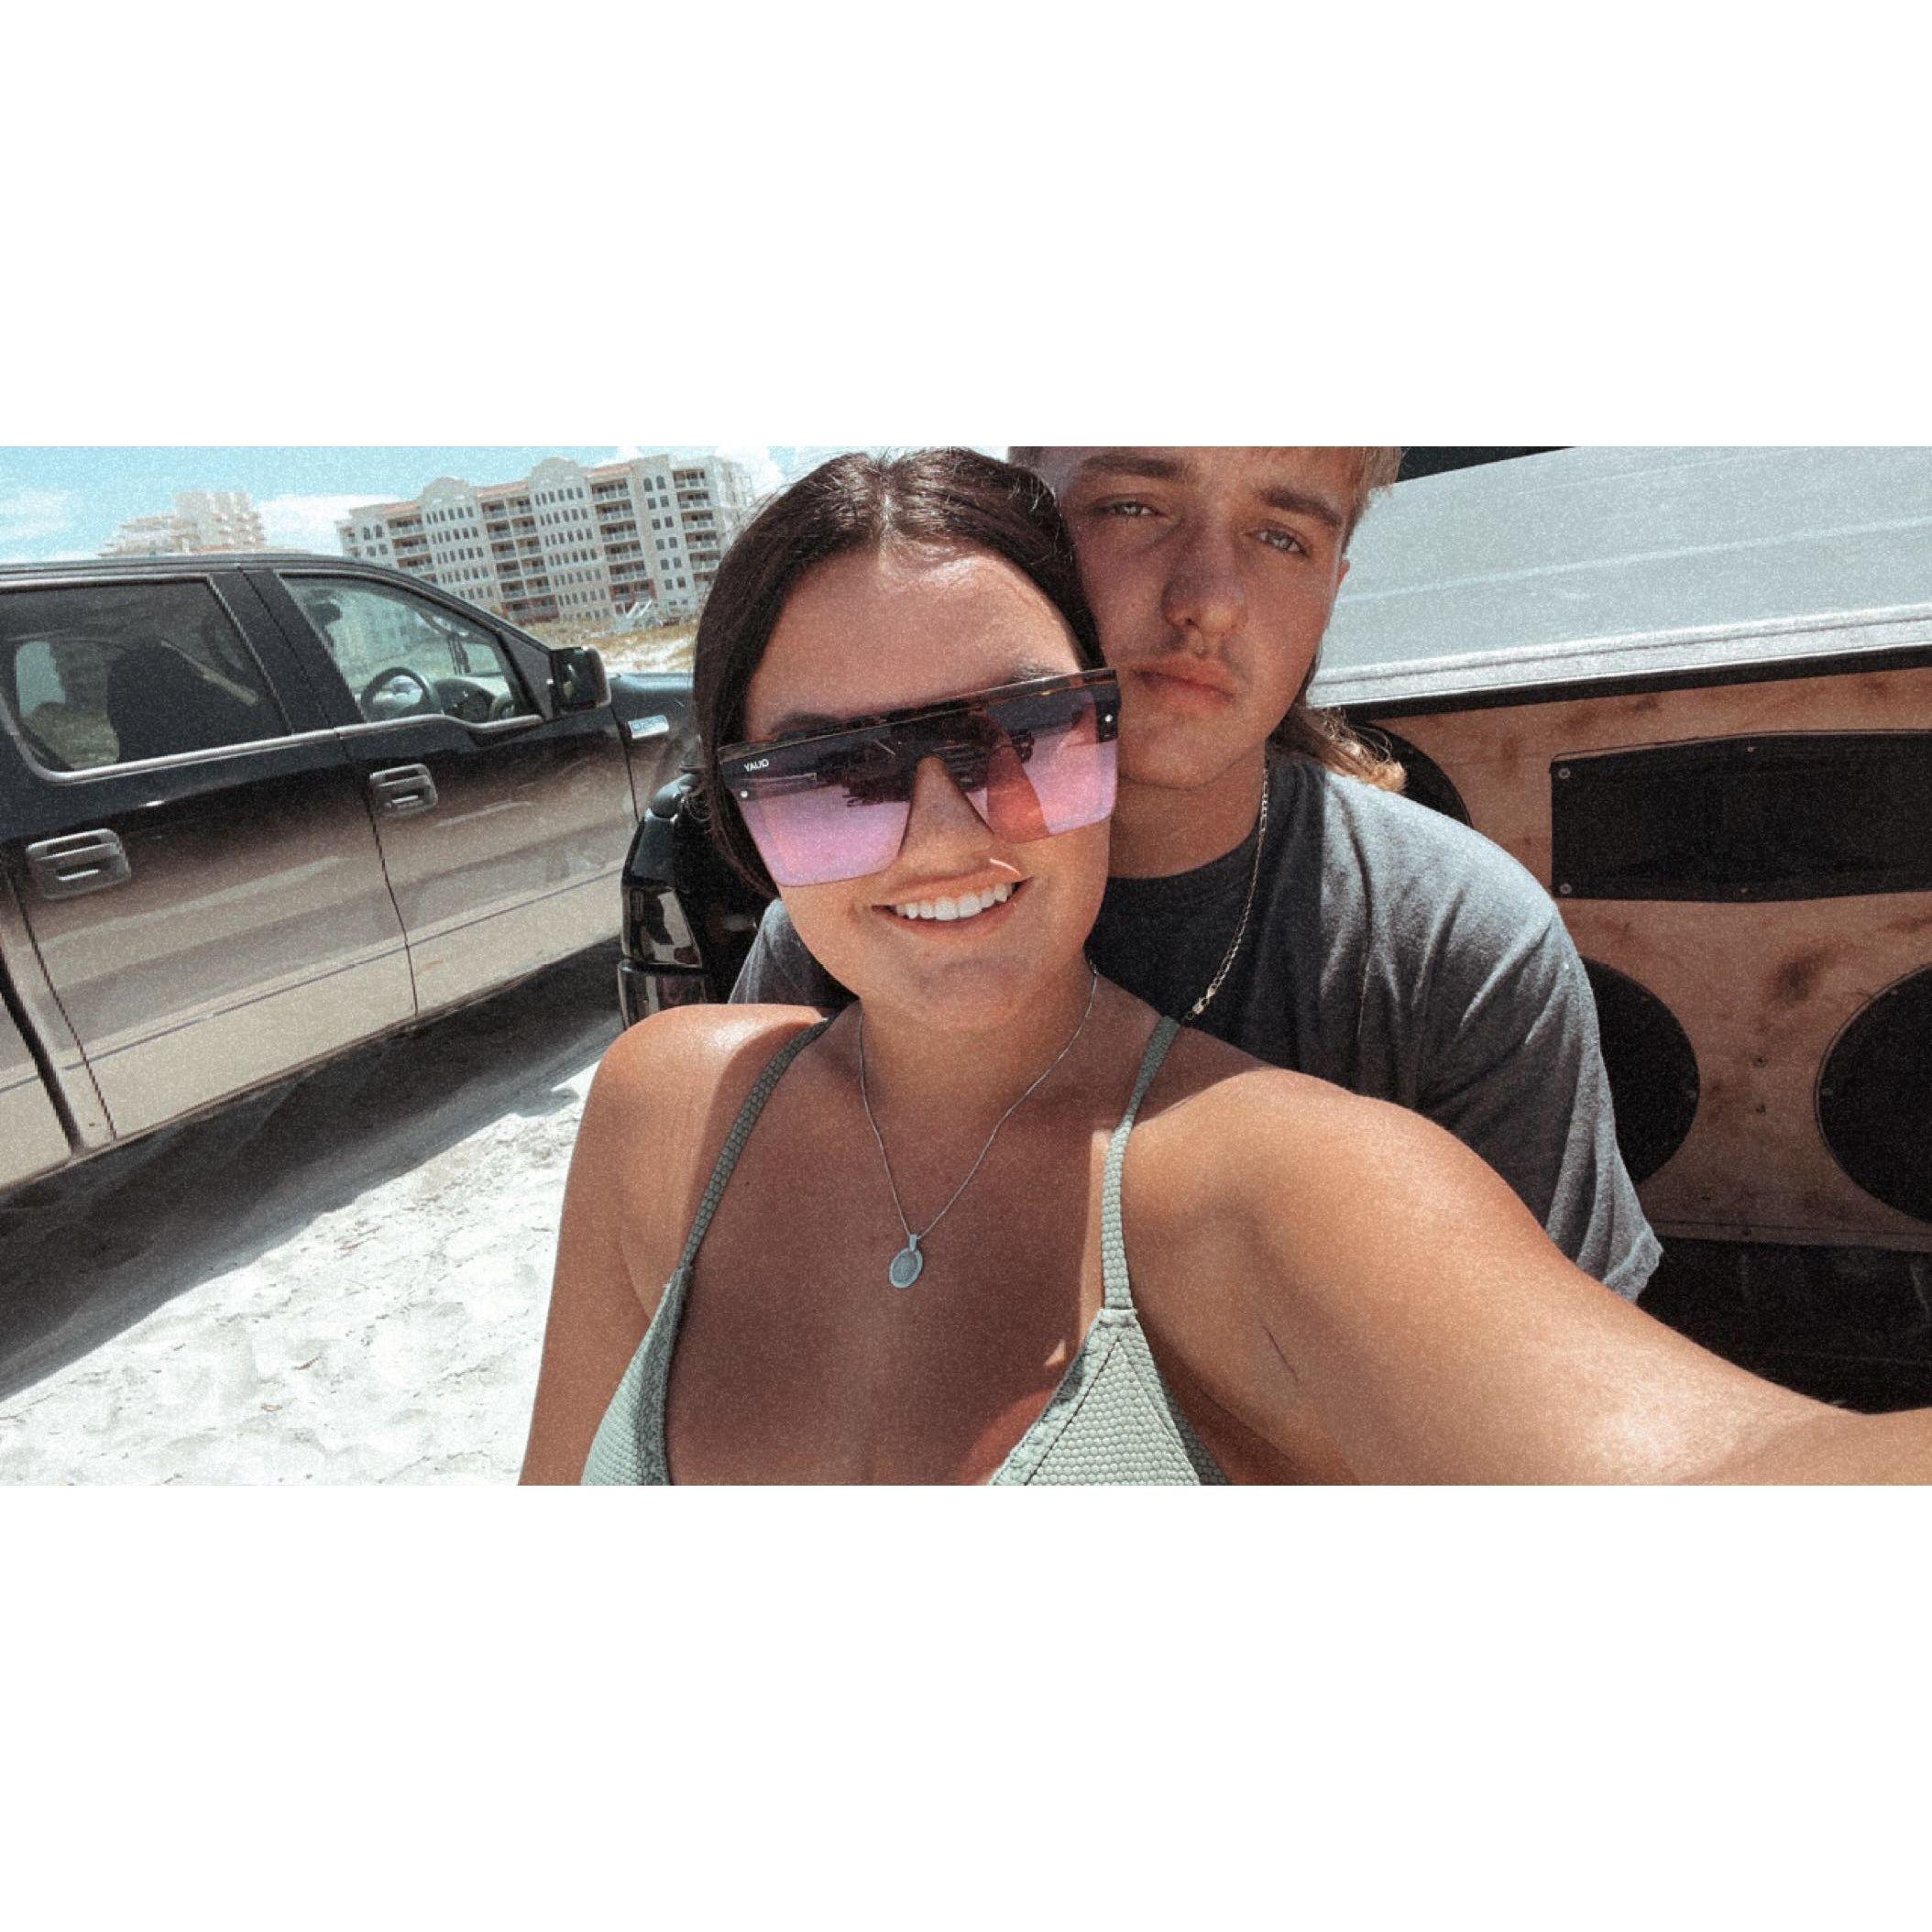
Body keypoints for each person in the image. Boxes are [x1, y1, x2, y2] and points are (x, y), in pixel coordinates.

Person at [520, 449, 1931, 1487]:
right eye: (830, 778)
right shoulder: (695, 1084)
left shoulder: (1356, 1076)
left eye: (1019, 734)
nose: (937, 836)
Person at [730, 448, 1660, 1328]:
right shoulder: (849, 937)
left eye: (1282, 537)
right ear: (1026, 523)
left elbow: (1551, 1394)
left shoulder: (1454, 950)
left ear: (1331, 593)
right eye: (1133, 507)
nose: (1208, 601)